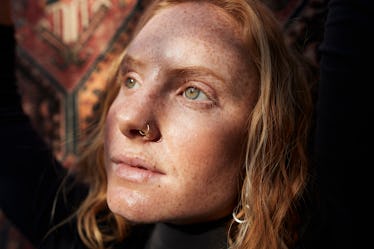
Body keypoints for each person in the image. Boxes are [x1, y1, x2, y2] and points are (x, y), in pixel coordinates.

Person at [4, 0, 366, 248]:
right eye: (130, 80)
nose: (130, 118)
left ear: (264, 135)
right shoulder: (88, 237)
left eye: (193, 92)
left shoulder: (328, 232)